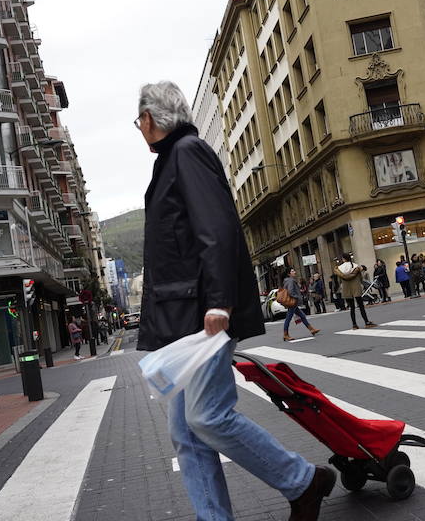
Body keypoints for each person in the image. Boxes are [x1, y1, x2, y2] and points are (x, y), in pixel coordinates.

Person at [134, 81, 334, 520]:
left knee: (207, 417)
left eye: (139, 121)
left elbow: (217, 228)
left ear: (150, 119)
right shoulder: (172, 160)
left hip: (203, 314)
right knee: (186, 433)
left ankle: (303, 481)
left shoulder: (187, 152)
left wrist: (219, 303)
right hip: (186, 316)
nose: (138, 128)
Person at [334, 253, 377, 330]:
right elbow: (360, 278)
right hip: (356, 287)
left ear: (343, 259)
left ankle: (354, 325)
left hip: (346, 289)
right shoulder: (355, 266)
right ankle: (366, 322)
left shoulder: (339, 268)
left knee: (352, 307)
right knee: (361, 306)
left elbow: (339, 280)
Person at [282, 269, 319, 341]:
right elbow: (290, 291)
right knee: (288, 318)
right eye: (292, 271)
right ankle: (285, 334)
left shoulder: (287, 280)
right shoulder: (290, 281)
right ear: (289, 274)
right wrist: (296, 297)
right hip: (293, 302)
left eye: (294, 271)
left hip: (293, 302)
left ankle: (311, 329)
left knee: (302, 315)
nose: (294, 272)